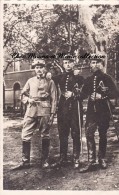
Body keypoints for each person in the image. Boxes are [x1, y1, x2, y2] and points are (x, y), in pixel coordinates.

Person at [13, 59, 57, 170]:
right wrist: (27, 100)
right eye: (37, 67)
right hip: (31, 109)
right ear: (34, 69)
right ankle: (25, 161)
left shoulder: (50, 81)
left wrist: (52, 113)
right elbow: (22, 95)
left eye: (41, 67)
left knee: (45, 134)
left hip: (45, 109)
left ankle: (45, 161)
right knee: (25, 134)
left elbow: (54, 98)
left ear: (44, 68)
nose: (39, 69)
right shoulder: (30, 81)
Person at [80, 55, 119, 172]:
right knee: (89, 133)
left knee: (102, 134)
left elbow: (115, 93)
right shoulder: (88, 80)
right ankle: (92, 161)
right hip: (92, 112)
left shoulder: (107, 78)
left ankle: (102, 158)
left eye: (94, 63)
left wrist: (102, 96)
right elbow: (83, 94)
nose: (92, 65)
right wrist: (76, 94)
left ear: (100, 64)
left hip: (103, 111)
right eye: (91, 63)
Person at [51, 55, 84, 169]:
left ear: (73, 63)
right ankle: (63, 157)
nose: (68, 64)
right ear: (63, 64)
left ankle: (76, 158)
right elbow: (49, 79)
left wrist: (74, 94)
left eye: (70, 62)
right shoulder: (59, 77)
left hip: (75, 109)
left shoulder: (79, 78)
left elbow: (84, 93)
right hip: (62, 109)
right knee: (62, 133)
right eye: (65, 62)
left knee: (75, 133)